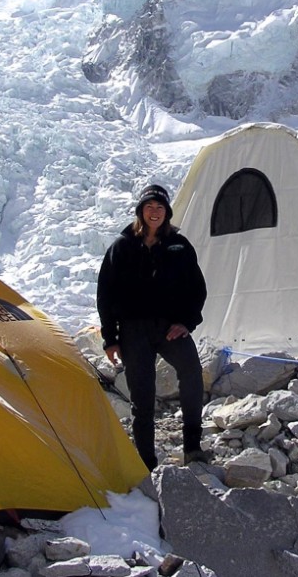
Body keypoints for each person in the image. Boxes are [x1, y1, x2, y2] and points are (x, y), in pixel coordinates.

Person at [97, 184, 209, 469]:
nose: (155, 212)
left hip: (168, 328)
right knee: (142, 395)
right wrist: (110, 339)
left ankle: (193, 447)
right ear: (140, 211)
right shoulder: (122, 247)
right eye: (149, 207)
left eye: (160, 207)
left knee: (192, 372)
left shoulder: (179, 246)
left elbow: (197, 289)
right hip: (134, 331)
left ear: (167, 212)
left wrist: (186, 321)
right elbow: (105, 294)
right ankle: (146, 462)